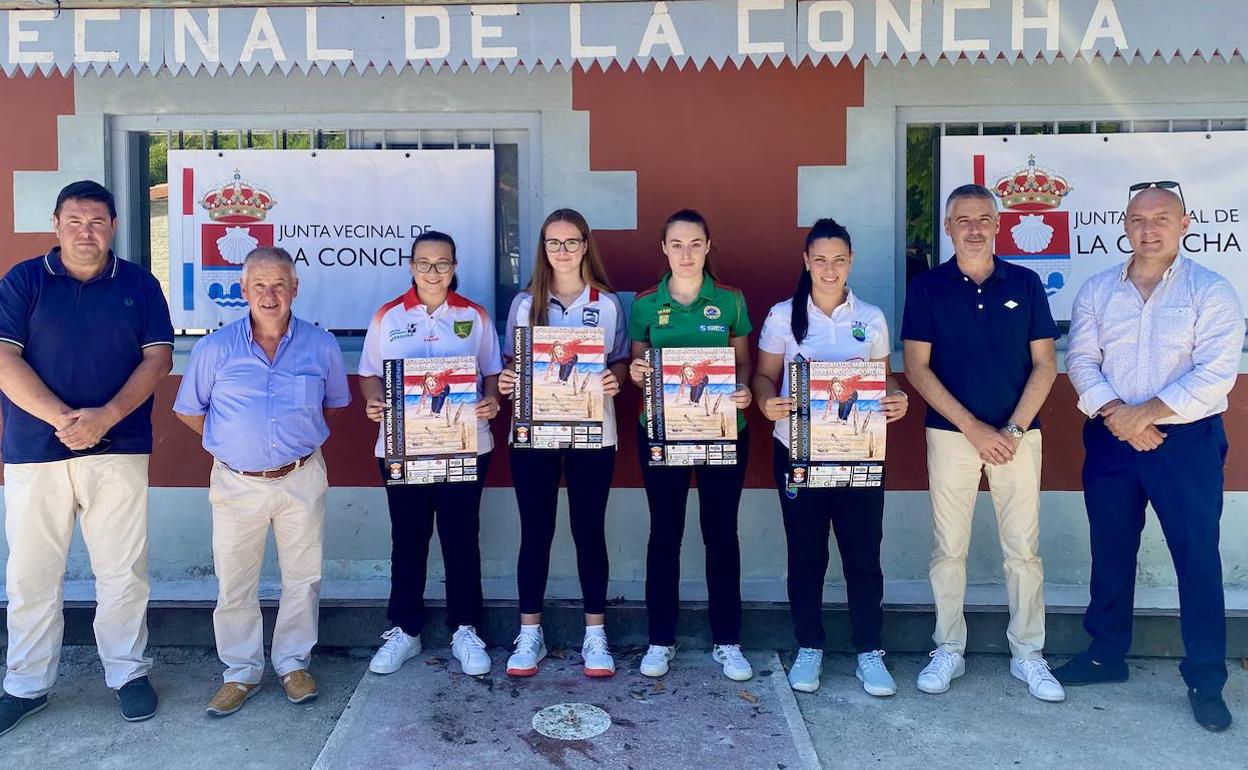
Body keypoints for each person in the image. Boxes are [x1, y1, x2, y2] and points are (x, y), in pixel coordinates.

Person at [1057, 183, 1245, 732]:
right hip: (1113, 438)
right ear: (1124, 224)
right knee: (1111, 550)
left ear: (1184, 222)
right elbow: (1081, 361)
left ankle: (1206, 678)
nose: (1149, 228)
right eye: (1138, 219)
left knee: (1197, 560)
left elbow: (1216, 373)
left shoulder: (1211, 290)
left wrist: (1148, 414)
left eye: (1161, 218)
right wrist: (1120, 414)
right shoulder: (1097, 291)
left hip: (1185, 443)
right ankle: (1104, 655)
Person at [0, 180, 173, 734]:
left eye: (97, 222)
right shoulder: (24, 281)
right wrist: (62, 419)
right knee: (31, 573)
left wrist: (104, 417)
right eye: (74, 221)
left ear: (114, 226)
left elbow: (158, 361)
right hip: (34, 451)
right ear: (56, 225)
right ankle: (26, 684)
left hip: (117, 447)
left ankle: (127, 673)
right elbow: (4, 358)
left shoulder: (140, 285)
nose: (86, 232)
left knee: (122, 570)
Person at [900, 183, 1065, 703]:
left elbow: (1045, 364)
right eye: (962, 219)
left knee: (1023, 551)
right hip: (952, 436)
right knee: (949, 549)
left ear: (998, 225)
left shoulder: (1027, 281)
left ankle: (1029, 654)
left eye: (983, 218)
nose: (973, 227)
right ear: (948, 228)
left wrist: (1012, 430)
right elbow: (917, 368)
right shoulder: (927, 287)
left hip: (1020, 436)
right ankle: (948, 647)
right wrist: (973, 428)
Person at [173, 247, 350, 716]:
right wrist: (236, 447)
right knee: (235, 582)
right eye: (259, 286)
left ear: (295, 289)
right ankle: (241, 672)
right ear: (242, 291)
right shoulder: (215, 348)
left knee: (303, 577)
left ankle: (293, 664)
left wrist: (293, 443)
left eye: (278, 285)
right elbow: (190, 412)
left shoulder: (321, 346)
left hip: (301, 477)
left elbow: (331, 406)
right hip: (236, 483)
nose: (269, 295)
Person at [752, 218, 909, 695]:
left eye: (838, 259)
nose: (829, 268)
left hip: (860, 451)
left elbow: (885, 381)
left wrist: (896, 397)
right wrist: (765, 402)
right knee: (806, 554)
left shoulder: (872, 318)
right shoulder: (783, 316)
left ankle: (869, 651)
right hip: (797, 452)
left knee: (863, 554)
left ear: (851, 262)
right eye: (819, 259)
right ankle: (809, 646)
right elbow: (763, 377)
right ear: (806, 261)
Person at [359, 231, 503, 677]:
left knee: (461, 539)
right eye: (424, 263)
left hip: (465, 446)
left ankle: (465, 627)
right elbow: (368, 373)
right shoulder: (387, 316)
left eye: (442, 263)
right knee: (408, 539)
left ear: (455, 266)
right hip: (403, 448)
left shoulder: (474, 316)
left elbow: (493, 371)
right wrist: (374, 402)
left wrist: (494, 401)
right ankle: (405, 628)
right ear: (410, 266)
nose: (433, 271)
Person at [497, 209, 630, 678]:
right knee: (536, 531)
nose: (563, 251)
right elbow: (509, 368)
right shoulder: (523, 303)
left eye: (571, 241)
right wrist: (509, 381)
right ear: (543, 248)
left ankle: (596, 635)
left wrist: (615, 380)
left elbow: (619, 364)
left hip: (593, 435)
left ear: (586, 244)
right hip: (534, 435)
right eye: (553, 243)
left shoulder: (608, 304)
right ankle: (529, 633)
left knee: (588, 530)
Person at [627, 209, 754, 681]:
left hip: (724, 430)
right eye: (676, 244)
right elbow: (635, 368)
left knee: (721, 534)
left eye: (695, 243)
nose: (686, 253)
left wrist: (741, 389)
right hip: (661, 430)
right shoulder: (644, 304)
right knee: (665, 534)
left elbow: (743, 362)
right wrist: (637, 374)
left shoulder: (731, 300)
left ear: (708, 246)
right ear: (664, 248)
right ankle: (660, 640)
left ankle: (728, 641)